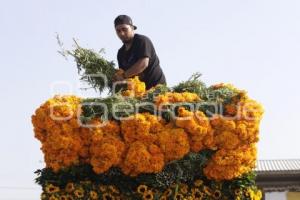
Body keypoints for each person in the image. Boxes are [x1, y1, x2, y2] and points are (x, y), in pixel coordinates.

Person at [113, 15, 166, 90]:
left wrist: (123, 76)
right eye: (118, 31)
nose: (121, 33)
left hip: (157, 89)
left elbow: (143, 64)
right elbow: (124, 77)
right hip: (138, 93)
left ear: (132, 28)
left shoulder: (142, 41)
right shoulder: (120, 53)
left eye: (124, 29)